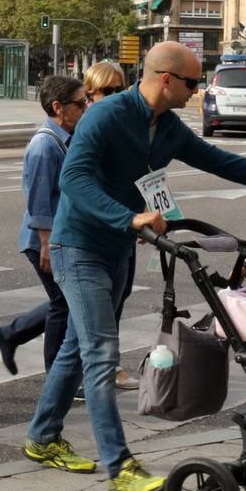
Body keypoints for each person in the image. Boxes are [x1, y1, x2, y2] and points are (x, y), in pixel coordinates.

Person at [21, 42, 246, 491]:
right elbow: (74, 180)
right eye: (193, 82)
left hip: (117, 249)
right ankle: (121, 469)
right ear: (166, 79)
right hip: (78, 247)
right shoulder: (106, 116)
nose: (198, 91)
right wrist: (130, 218)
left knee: (74, 349)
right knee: (101, 356)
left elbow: (220, 161)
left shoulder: (168, 127)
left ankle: (42, 438)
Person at [0, 75, 84, 378]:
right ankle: (56, 375)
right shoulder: (46, 144)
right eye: (80, 103)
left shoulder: (64, 139)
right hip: (44, 239)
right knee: (63, 305)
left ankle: (10, 335)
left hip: (56, 237)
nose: (87, 107)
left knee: (65, 301)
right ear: (59, 107)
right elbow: (39, 200)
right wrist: (46, 243)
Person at [82, 61, 140, 390]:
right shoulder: (92, 125)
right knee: (94, 308)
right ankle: (105, 371)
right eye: (108, 91)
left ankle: (12, 333)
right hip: (96, 233)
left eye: (121, 89)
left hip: (125, 228)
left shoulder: (125, 122)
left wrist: (152, 212)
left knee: (117, 297)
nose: (116, 96)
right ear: (90, 94)